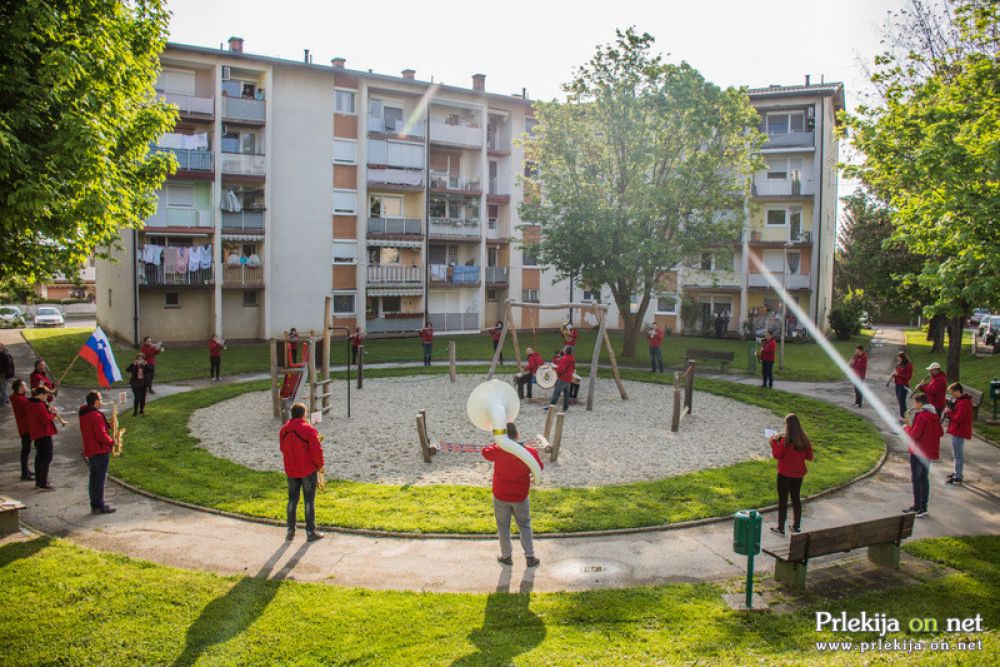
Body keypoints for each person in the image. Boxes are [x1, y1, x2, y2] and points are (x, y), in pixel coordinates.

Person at [481, 422, 543, 567]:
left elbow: (485, 452)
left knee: (503, 526)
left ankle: (506, 555)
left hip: (501, 494)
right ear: (517, 434)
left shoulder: (498, 450)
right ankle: (530, 556)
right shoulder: (529, 451)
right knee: (524, 525)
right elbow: (539, 467)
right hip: (520, 495)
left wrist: (497, 441)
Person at [278, 402, 325, 542]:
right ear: (304, 414)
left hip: (291, 469)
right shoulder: (309, 430)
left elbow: (282, 448)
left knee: (292, 499)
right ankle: (310, 532)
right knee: (309, 501)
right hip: (307, 469)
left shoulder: (284, 430)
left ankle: (290, 530)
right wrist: (320, 466)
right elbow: (317, 451)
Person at [769, 414, 814, 535]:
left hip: (784, 473)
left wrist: (773, 442)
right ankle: (796, 525)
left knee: (783, 500)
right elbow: (810, 457)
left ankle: (780, 527)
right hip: (798, 473)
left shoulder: (785, 441)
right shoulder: (805, 440)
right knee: (796, 498)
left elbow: (777, 455)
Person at [903, 392, 942, 518]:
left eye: (915, 402)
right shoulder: (934, 415)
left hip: (918, 451)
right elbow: (940, 432)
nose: (914, 405)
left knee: (916, 478)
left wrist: (906, 428)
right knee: (924, 478)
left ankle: (917, 507)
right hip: (929, 451)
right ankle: (923, 506)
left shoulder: (921, 416)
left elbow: (914, 434)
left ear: (920, 403)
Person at [79, 391, 116, 514]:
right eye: (100, 399)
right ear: (95, 402)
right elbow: (101, 436)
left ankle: (94, 504)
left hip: (91, 450)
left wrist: (107, 425)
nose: (102, 402)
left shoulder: (84, 413)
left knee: (93, 478)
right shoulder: (96, 416)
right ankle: (100, 505)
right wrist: (112, 441)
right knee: (100, 479)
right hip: (100, 450)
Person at [26, 386, 58, 490]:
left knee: (39, 458)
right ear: (40, 395)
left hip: (37, 434)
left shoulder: (30, 403)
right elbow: (45, 421)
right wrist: (52, 414)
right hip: (43, 434)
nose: (46, 398)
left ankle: (39, 481)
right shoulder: (39, 406)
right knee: (46, 458)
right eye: (45, 395)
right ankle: (43, 482)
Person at [943, 382, 972, 485]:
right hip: (958, 430)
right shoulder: (961, 401)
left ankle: (958, 476)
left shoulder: (964, 404)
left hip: (960, 431)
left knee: (957, 454)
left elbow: (959, 418)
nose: (951, 394)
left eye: (952, 392)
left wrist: (949, 412)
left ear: (957, 391)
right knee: (956, 453)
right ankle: (957, 472)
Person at [10, 380, 34, 480]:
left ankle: (26, 470)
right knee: (25, 451)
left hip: (24, 427)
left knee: (26, 450)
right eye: (24, 386)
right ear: (19, 388)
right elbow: (31, 408)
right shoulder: (21, 400)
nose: (26, 387)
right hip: (26, 428)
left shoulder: (17, 398)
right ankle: (24, 473)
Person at [548, 346, 576, 413]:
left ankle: (551, 407)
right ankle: (565, 408)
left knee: (556, 392)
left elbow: (561, 369)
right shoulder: (572, 358)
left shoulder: (565, 358)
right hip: (568, 377)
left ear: (566, 351)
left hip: (563, 378)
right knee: (566, 394)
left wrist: (555, 368)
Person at [890, 352, 914, 420]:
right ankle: (903, 416)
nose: (898, 359)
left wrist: (898, 375)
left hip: (903, 385)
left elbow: (908, 376)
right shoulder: (899, 365)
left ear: (902, 358)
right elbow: (898, 373)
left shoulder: (908, 365)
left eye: (899, 358)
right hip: (898, 384)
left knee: (902, 400)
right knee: (899, 400)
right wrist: (894, 375)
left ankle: (905, 416)